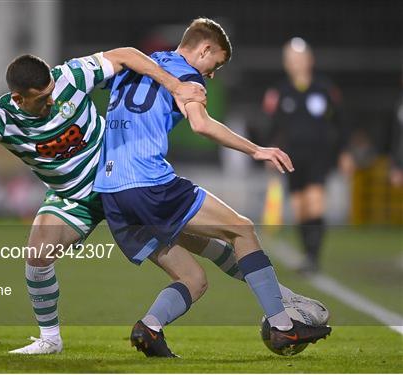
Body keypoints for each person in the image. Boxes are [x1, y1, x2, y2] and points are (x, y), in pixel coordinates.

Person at [0, 48, 205, 355]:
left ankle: (246, 266)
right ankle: (50, 339)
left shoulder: (70, 75)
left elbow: (126, 55)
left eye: (52, 93)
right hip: (73, 200)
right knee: (37, 254)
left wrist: (173, 84)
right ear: (19, 98)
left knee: (200, 245)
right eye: (41, 99)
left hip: (119, 184)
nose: (51, 101)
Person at [94, 18, 332, 357]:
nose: (212, 74)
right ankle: (283, 327)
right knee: (242, 229)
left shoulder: (138, 64)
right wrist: (257, 149)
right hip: (148, 183)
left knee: (194, 278)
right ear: (204, 48)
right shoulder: (186, 75)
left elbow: (107, 71)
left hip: (113, 194)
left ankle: (149, 328)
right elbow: (201, 124)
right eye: (215, 63)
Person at [263, 37, 352, 273]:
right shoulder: (279, 92)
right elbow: (272, 128)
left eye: (300, 58)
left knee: (315, 203)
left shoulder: (325, 89)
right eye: (291, 59)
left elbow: (342, 123)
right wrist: (268, 152)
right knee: (299, 207)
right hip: (291, 158)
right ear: (286, 63)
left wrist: (344, 152)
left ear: (310, 60)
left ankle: (313, 257)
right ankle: (307, 254)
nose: (296, 63)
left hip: (319, 156)